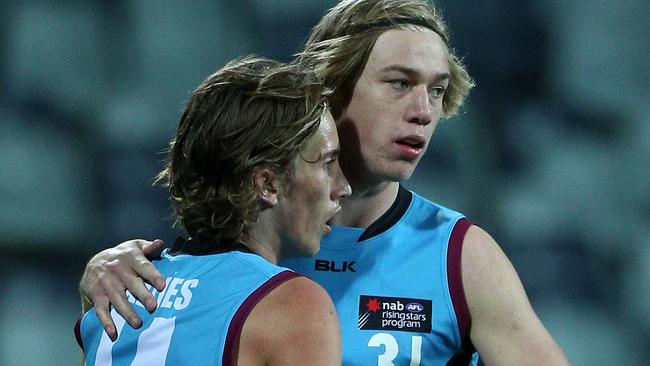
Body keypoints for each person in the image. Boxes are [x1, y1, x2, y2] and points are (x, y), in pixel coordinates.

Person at [79, 1, 571, 365]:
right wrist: (103, 271)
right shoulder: (244, 235)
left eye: (437, 91)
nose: (424, 112)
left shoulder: (460, 256)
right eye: (400, 83)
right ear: (331, 85)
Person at [75, 56, 350, 365]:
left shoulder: (114, 294)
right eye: (327, 163)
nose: (343, 187)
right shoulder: (294, 305)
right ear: (268, 185)